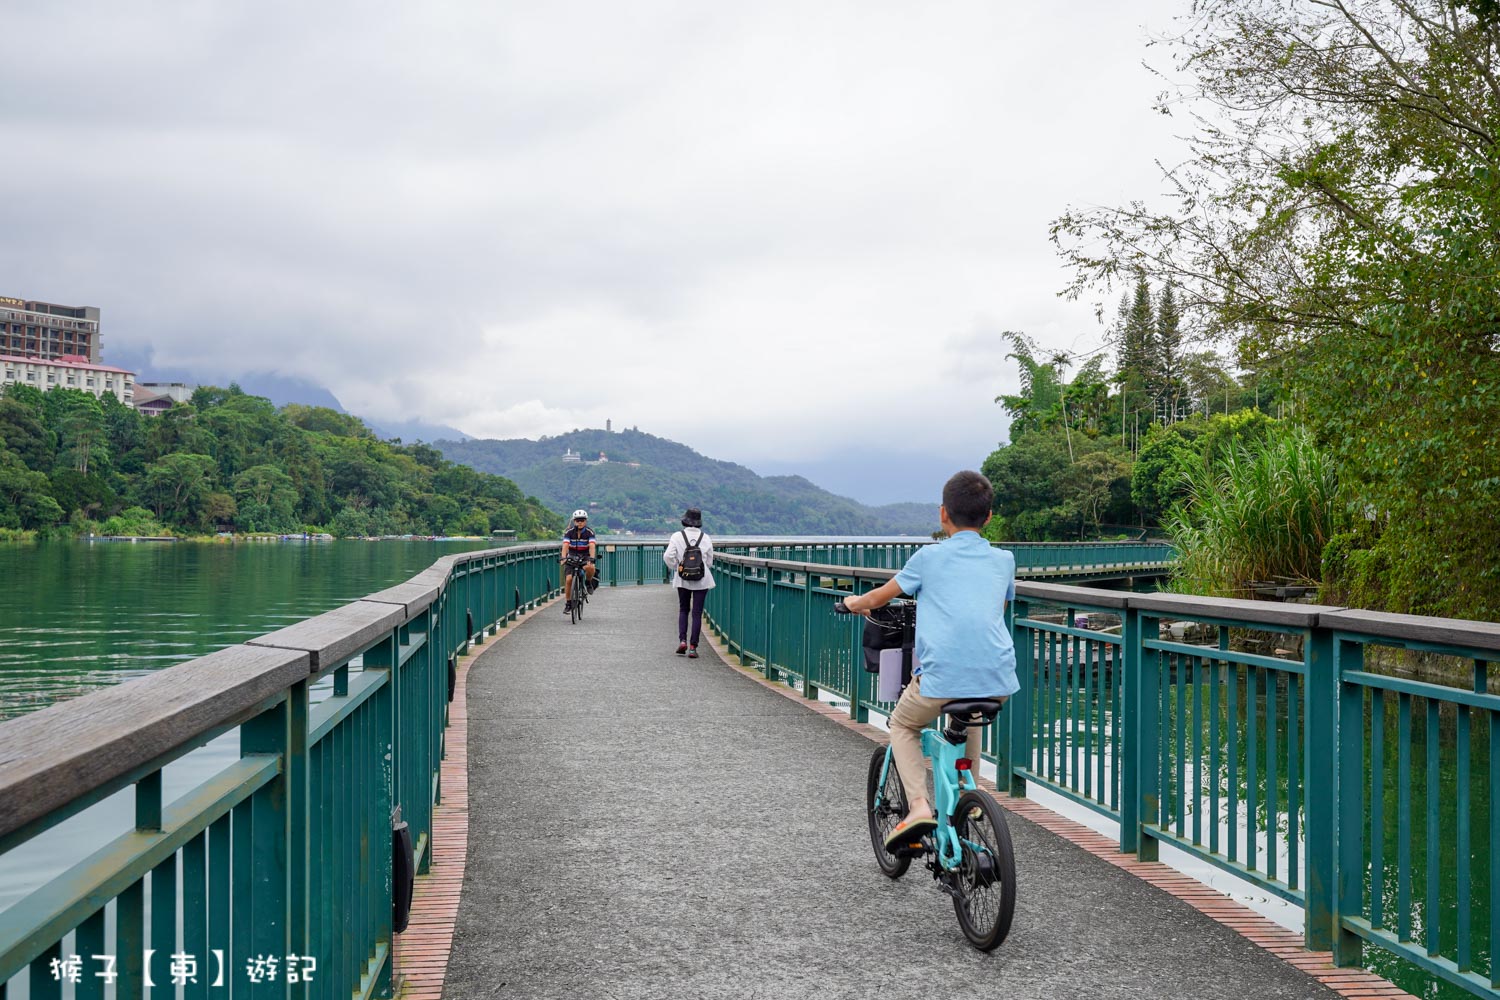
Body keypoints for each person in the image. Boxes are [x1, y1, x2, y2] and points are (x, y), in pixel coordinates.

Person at [840, 470, 1017, 850]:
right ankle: (969, 793)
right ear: (988, 516)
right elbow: (995, 609)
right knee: (969, 712)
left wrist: (854, 603)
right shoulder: (1004, 560)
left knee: (903, 725)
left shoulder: (929, 558)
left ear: (943, 514)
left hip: (942, 678)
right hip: (999, 680)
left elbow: (879, 597)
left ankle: (919, 806)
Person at [663, 507, 714, 657]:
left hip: (683, 578)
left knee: (684, 609)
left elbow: (668, 556)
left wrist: (676, 566)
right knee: (697, 613)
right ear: (699, 522)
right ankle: (693, 647)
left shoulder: (677, 536)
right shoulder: (706, 538)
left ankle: (682, 641)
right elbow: (709, 561)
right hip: (702, 580)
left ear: (685, 520)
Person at [560, 509, 598, 615]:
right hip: (572, 556)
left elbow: (592, 546)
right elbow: (565, 545)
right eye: (577, 520)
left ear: (585, 521)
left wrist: (591, 558)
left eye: (582, 520)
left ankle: (588, 582)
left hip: (585, 555)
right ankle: (568, 603)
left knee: (590, 567)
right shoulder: (569, 532)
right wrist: (563, 557)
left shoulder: (590, 532)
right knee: (568, 579)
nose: (579, 522)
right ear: (574, 521)